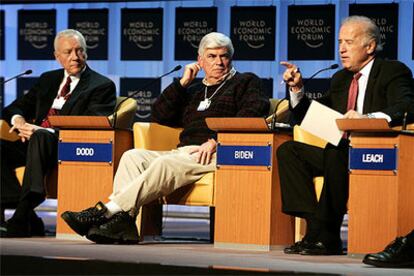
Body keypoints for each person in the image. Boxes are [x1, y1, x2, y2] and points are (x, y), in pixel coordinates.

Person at [61, 32, 270, 244]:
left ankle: (105, 212)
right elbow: (160, 115)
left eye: (224, 56)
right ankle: (124, 224)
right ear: (200, 61)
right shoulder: (195, 90)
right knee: (132, 157)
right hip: (184, 152)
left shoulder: (246, 81)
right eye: (212, 56)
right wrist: (182, 84)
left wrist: (217, 141)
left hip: (219, 153)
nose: (219, 62)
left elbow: (252, 114)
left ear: (231, 58)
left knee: (164, 163)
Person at [277, 16, 414, 255]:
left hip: (378, 153)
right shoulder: (340, 79)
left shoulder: (392, 71)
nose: (341, 48)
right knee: (289, 150)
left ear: (370, 46)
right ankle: (316, 227)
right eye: (340, 41)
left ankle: (327, 235)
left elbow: (407, 105)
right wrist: (297, 90)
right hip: (341, 155)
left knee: (336, 150)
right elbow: (314, 115)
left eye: (349, 42)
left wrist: (368, 118)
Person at [0, 29, 116, 237]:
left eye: (79, 51)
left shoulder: (101, 85)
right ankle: (27, 214)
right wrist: (19, 122)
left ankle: (21, 217)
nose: (75, 57)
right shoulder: (48, 80)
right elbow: (13, 108)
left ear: (86, 53)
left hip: (66, 147)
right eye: (68, 52)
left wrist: (41, 130)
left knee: (42, 136)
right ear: (57, 57)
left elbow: (92, 125)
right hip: (32, 143)